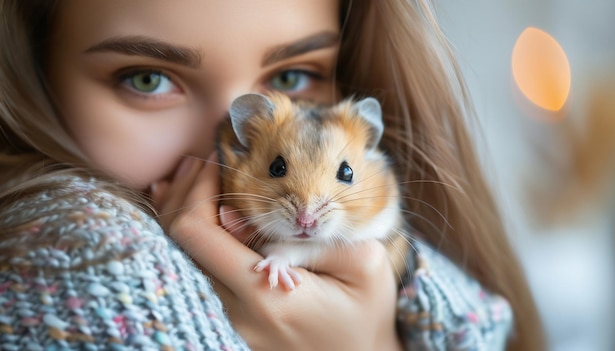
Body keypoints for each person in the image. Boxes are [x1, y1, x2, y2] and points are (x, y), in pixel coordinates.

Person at [0, 0, 546, 350]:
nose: (221, 143)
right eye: (146, 78)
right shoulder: (67, 259)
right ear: (34, 77)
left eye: (292, 75)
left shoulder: (441, 283)